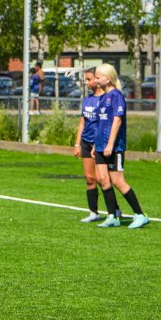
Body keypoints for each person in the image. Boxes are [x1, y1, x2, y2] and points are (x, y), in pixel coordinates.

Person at [91, 63, 149, 229]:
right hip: (101, 146)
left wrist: (110, 144)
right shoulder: (101, 98)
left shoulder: (116, 96)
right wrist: (97, 144)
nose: (95, 80)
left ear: (107, 79)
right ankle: (112, 216)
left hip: (114, 147)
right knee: (102, 179)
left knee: (118, 181)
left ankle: (140, 214)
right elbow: (101, 123)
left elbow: (117, 120)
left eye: (97, 77)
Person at [72, 68, 103, 222]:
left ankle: (114, 209)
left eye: (89, 79)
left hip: (100, 143)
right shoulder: (87, 100)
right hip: (86, 142)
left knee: (102, 178)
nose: (87, 82)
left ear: (97, 80)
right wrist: (77, 143)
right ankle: (93, 212)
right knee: (89, 178)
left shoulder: (106, 99)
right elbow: (83, 121)